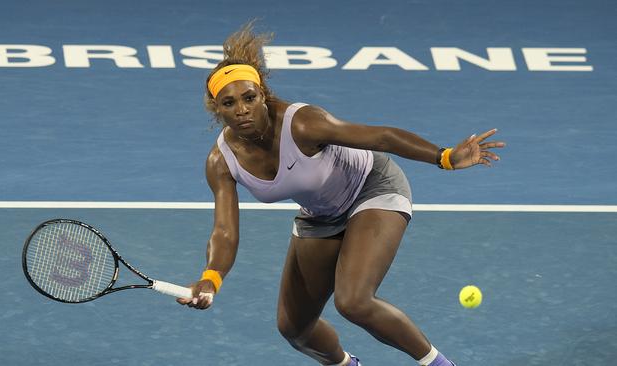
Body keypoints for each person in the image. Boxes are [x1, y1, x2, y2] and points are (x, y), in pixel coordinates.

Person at [177, 22, 505, 366]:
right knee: (294, 327)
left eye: (249, 97)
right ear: (217, 108)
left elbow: (382, 137)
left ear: (264, 95)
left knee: (354, 301)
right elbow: (225, 231)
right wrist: (211, 278)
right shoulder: (221, 162)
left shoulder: (303, 123)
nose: (242, 109)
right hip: (320, 214)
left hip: (372, 188)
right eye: (229, 103)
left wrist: (445, 157)